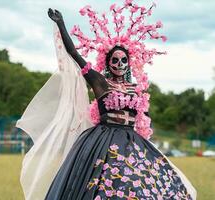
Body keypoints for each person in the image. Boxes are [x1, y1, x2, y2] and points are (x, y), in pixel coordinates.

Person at [16, 2, 197, 200]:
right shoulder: (100, 82)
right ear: (108, 63)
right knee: (102, 187)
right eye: (115, 60)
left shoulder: (136, 88)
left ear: (128, 63)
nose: (119, 64)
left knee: (142, 187)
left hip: (131, 142)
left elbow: (142, 118)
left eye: (123, 60)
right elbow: (74, 54)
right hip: (102, 141)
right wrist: (61, 25)